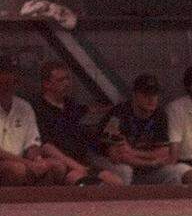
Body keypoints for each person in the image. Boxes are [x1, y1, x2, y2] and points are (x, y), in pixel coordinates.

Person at [32, 61, 124, 185]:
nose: (66, 84)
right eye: (61, 80)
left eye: (67, 79)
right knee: (88, 185)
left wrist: (119, 108)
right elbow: (46, 147)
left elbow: (94, 113)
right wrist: (78, 167)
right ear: (47, 84)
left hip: (83, 161)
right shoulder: (38, 109)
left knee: (117, 183)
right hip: (61, 165)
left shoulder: (71, 106)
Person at [99, 74, 192, 184]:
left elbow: (164, 153)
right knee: (125, 171)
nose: (151, 98)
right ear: (135, 95)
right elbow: (117, 156)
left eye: (155, 94)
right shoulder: (117, 115)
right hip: (105, 160)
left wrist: (133, 152)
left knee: (174, 173)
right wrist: (152, 162)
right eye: (146, 94)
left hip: (141, 166)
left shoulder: (160, 115)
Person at [0, 56, 67, 186]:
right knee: (17, 170)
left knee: (56, 166)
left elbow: (32, 143)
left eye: (13, 75)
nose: (10, 79)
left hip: (21, 161)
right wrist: (27, 163)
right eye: (5, 74)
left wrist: (38, 159)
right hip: (11, 163)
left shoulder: (24, 106)